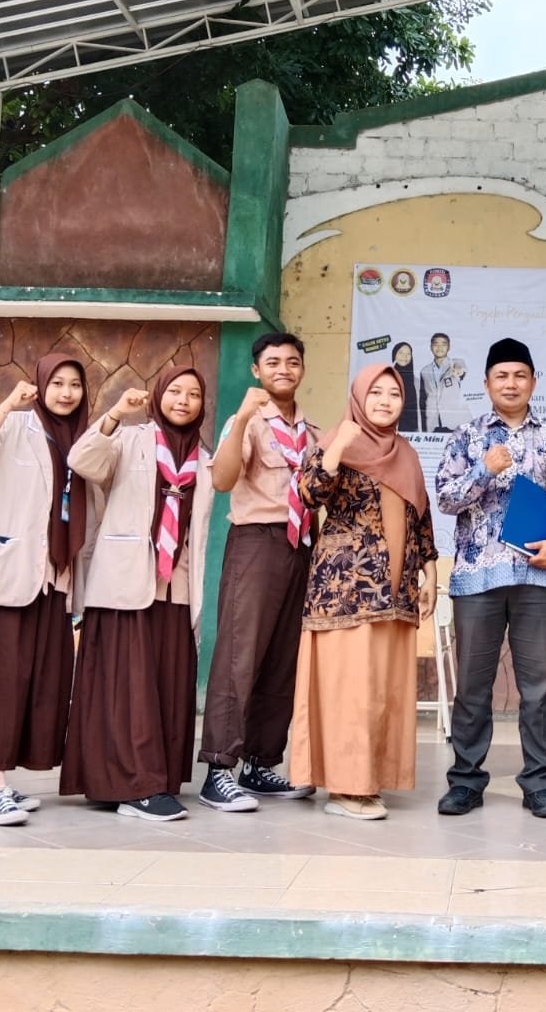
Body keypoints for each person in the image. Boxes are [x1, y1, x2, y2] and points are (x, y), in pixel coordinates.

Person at [435, 337, 546, 819]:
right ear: (486, 383)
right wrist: (484, 469)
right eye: (502, 376)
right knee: (472, 686)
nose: (511, 383)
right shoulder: (466, 436)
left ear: (534, 381)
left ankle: (540, 783)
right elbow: (446, 497)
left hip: (539, 578)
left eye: (520, 375)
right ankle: (465, 781)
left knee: (538, 687)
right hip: (477, 579)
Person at [0, 354, 91, 826]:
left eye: (75, 385)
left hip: (52, 579)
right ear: (42, 386)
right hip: (5, 576)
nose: (66, 393)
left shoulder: (79, 439)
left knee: (33, 684)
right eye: (58, 383)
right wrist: (6, 406)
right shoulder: (13, 425)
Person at [61, 366, 212, 822]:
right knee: (126, 689)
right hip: (124, 584)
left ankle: (153, 778)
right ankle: (135, 787)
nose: (183, 400)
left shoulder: (203, 457)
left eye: (193, 394)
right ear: (159, 395)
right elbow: (82, 460)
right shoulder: (129, 438)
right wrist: (114, 415)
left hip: (176, 589)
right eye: (175, 391)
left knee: (165, 688)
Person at [289, 364, 438, 820]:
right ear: (357, 397)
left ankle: (369, 780)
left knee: (382, 692)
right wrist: (338, 446)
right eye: (375, 392)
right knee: (349, 691)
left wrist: (430, 573)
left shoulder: (406, 452)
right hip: (345, 592)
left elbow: (420, 517)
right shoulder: (334, 441)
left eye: (393, 393)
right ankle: (344, 788)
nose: (385, 401)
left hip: (395, 594)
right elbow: (310, 494)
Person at [199, 332, 318, 812]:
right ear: (256, 370)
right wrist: (244, 417)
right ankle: (218, 770)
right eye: (272, 362)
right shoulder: (245, 420)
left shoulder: (311, 432)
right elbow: (223, 480)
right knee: (239, 655)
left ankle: (260, 764)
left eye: (292, 362)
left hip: (300, 545)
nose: (283, 369)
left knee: (282, 659)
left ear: (302, 369)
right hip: (256, 543)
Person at [420, 332, 469, 432]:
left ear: (449, 347)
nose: (439, 347)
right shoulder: (424, 371)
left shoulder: (455, 363)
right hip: (433, 422)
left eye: (443, 344)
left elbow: (461, 369)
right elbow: (423, 399)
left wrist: (459, 370)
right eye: (436, 344)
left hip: (454, 422)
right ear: (431, 347)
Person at [391, 342, 422, 433]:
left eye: (408, 354)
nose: (404, 356)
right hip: (392, 429)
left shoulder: (416, 381)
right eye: (401, 353)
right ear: (394, 355)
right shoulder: (388, 378)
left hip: (413, 431)